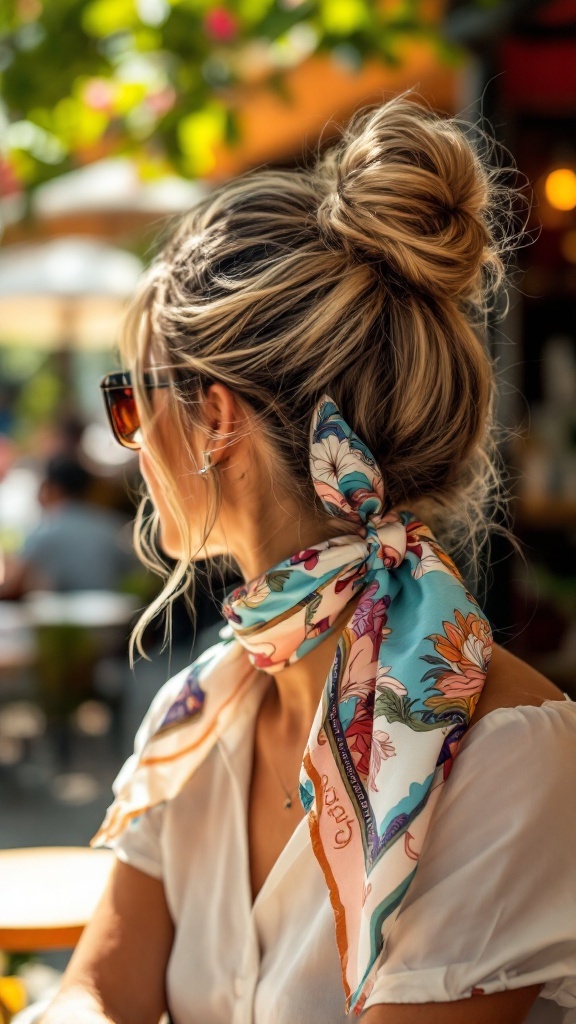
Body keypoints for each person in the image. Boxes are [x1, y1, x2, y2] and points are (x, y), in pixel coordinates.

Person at [35, 97, 575, 1024]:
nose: (129, 444)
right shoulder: (201, 711)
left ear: (212, 417)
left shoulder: (506, 754)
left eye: (130, 404)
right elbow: (94, 990)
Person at [0, 455, 137, 596]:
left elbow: (17, 582)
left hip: (61, 612)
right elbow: (134, 572)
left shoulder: (46, 529)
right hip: (111, 610)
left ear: (53, 489)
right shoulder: (112, 526)